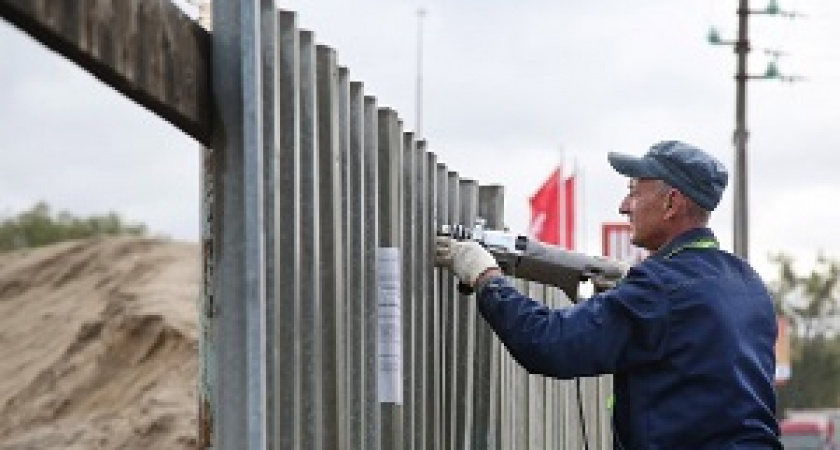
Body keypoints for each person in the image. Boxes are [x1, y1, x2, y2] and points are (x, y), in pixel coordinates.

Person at [435, 140, 782, 449]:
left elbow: (548, 343)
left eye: (634, 191)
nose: (624, 206)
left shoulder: (659, 289)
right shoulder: (749, 284)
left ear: (671, 203)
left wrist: (487, 277)